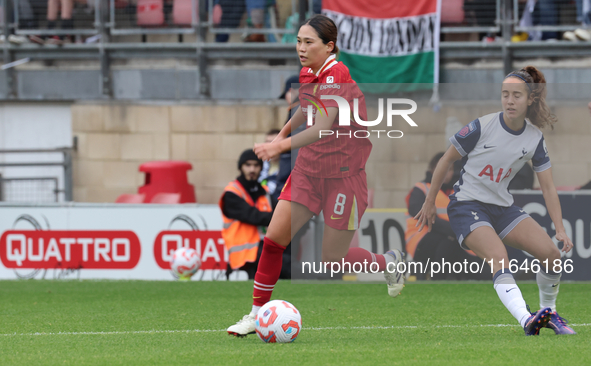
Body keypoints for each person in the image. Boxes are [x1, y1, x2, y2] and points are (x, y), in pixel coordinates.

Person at [227, 14, 404, 337]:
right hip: (309, 171)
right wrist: (276, 139)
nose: (301, 48)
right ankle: (255, 315)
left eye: (309, 42)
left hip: (343, 177)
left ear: (329, 46)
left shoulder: (338, 75)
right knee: (273, 241)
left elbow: (321, 128)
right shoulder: (309, 72)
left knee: (333, 259)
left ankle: (388, 263)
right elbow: (303, 111)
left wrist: (278, 148)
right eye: (298, 41)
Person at [415, 66, 576, 336]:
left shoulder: (535, 138)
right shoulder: (482, 126)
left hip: (502, 208)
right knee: (499, 258)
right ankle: (527, 320)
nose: (509, 101)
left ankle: (549, 312)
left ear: (530, 99)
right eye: (505, 94)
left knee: (552, 256)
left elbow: (548, 187)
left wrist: (559, 227)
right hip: (467, 206)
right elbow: (445, 160)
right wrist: (431, 201)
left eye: (516, 95)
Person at [406, 153, 485, 280]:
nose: (447, 173)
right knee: (448, 242)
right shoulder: (421, 189)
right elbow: (422, 216)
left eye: (450, 170)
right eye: (444, 169)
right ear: (433, 170)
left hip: (451, 236)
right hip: (421, 237)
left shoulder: (456, 191)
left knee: (469, 257)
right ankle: (438, 279)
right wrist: (455, 231)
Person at [219, 149, 275, 279]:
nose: (252, 169)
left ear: (261, 168)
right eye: (248, 165)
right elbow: (252, 215)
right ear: (241, 167)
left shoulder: (265, 192)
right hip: (243, 252)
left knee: (287, 263)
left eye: (256, 165)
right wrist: (282, 219)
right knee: (285, 266)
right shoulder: (232, 193)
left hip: (263, 246)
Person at [258, 129, 281, 196]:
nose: (268, 146)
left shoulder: (289, 167)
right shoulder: (259, 164)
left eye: (272, 143)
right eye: (266, 143)